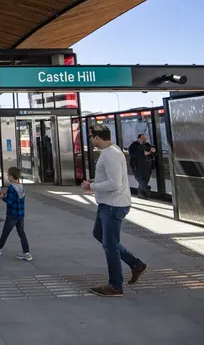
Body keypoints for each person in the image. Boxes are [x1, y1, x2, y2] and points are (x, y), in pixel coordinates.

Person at [82, 125, 148, 297]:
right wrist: (96, 180)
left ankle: (116, 286)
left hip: (113, 205)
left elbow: (114, 184)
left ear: (97, 137)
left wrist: (91, 186)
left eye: (91, 137)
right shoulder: (112, 151)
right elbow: (111, 178)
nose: (90, 140)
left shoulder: (111, 154)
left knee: (110, 245)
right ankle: (135, 264)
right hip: (108, 204)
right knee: (99, 234)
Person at [0, 166, 31, 265]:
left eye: (8, 175)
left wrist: (2, 197)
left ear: (11, 176)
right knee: (21, 233)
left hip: (12, 215)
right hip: (20, 214)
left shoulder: (11, 188)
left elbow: (10, 201)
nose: (7, 177)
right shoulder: (21, 186)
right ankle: (27, 253)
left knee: (5, 233)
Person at [128, 134, 155, 199]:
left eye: (145, 138)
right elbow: (132, 154)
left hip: (147, 165)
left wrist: (153, 150)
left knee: (146, 179)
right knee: (139, 178)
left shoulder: (147, 144)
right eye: (143, 138)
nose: (144, 140)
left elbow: (152, 153)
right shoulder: (133, 145)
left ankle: (141, 194)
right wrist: (143, 153)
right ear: (139, 138)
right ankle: (146, 188)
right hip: (137, 166)